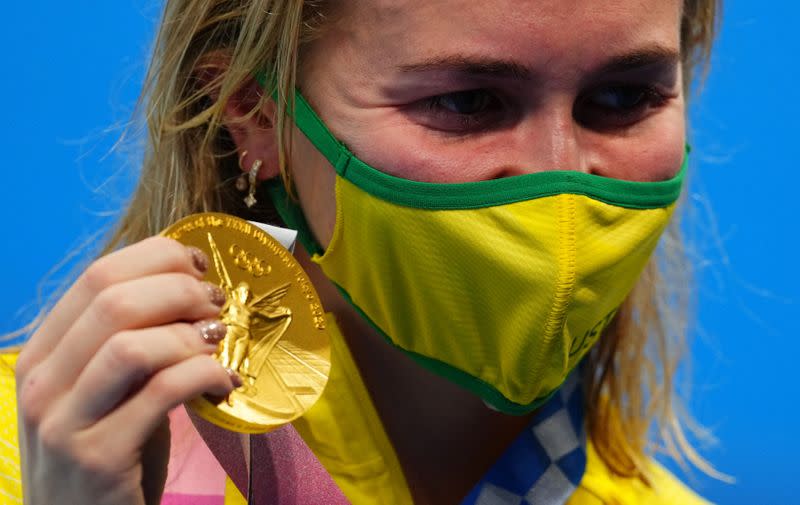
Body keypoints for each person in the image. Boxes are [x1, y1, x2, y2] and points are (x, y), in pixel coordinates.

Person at [1, 0, 724, 503]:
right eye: (469, 102)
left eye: (625, 97)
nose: (556, 176)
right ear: (257, 117)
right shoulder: (30, 461)